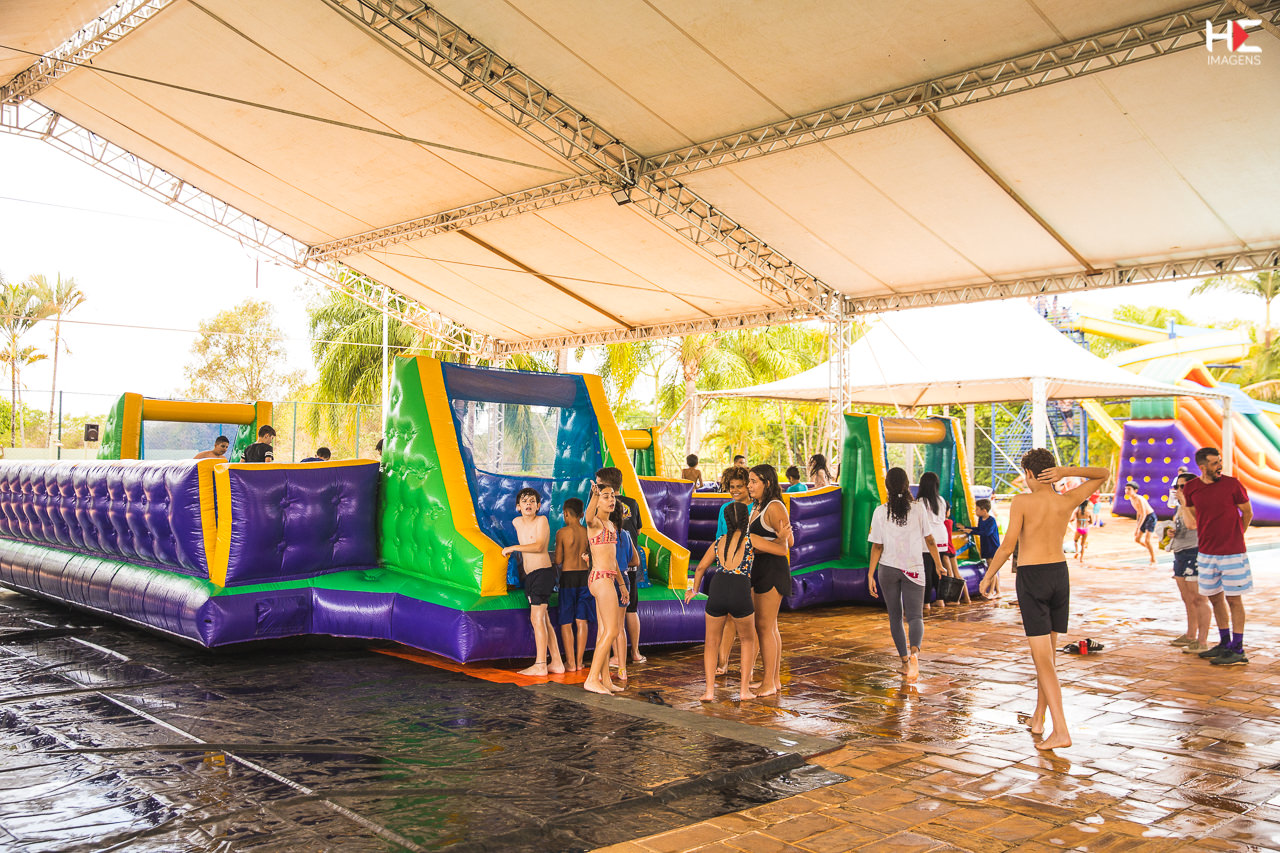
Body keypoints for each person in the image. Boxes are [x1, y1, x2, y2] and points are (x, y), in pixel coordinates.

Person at [979, 449, 1108, 751]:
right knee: (1047, 658)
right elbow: (1102, 474)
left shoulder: (1022, 501)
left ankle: (1061, 730)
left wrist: (988, 577)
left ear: (1028, 473)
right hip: (1059, 576)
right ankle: (1039, 718)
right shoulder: (1066, 500)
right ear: (1050, 472)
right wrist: (1066, 472)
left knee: (1043, 660)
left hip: (1033, 578)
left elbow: (1007, 546)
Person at [867, 467, 943, 682]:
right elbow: (930, 540)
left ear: (887, 487)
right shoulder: (919, 509)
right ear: (907, 484)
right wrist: (938, 565)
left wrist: (870, 574)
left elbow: (877, 546)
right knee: (916, 616)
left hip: (888, 568)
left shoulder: (880, 511)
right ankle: (915, 653)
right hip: (914, 568)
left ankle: (904, 662)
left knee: (895, 616)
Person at [1183, 446, 1253, 666]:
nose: (1219, 466)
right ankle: (1225, 643)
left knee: (1234, 600)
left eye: (1219, 462)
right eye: (1215, 463)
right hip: (1206, 553)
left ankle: (1238, 649)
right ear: (1202, 467)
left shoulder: (1232, 484)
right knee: (1214, 598)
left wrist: (1238, 535)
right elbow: (1194, 514)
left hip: (1232, 553)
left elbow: (1247, 512)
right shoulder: (1191, 488)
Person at [687, 502, 759, 701]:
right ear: (746, 520)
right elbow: (779, 549)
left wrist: (694, 590)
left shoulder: (719, 542)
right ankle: (744, 691)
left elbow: (700, 568)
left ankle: (709, 691)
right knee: (747, 640)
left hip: (718, 588)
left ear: (725, 521)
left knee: (711, 642)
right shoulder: (751, 540)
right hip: (740, 589)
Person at [501, 488, 564, 677]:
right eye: (524, 501)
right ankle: (557, 662)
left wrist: (513, 547)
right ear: (518, 507)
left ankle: (540, 664)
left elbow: (539, 546)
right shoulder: (517, 522)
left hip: (543, 574)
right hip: (530, 577)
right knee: (544, 619)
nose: (528, 503)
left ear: (538, 506)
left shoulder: (541, 520)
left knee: (536, 619)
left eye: (532, 501)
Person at [747, 464, 793, 697]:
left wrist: (763, 545)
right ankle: (773, 679)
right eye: (749, 481)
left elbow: (788, 543)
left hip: (772, 571)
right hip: (759, 569)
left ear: (767, 483)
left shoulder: (775, 507)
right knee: (769, 626)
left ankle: (769, 683)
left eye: (754, 481)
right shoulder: (757, 506)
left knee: (765, 627)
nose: (749, 485)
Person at [583, 482, 629, 695]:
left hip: (608, 578)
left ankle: (606, 680)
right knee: (612, 630)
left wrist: (622, 584)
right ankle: (592, 679)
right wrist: (594, 496)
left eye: (612, 496)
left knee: (604, 631)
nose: (611, 500)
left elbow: (614, 560)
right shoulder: (595, 523)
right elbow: (587, 518)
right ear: (597, 501)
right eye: (605, 496)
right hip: (600, 579)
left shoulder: (611, 525)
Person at [596, 467, 645, 666]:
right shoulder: (632, 503)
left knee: (611, 620)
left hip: (612, 568)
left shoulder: (601, 508)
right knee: (631, 610)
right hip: (629, 566)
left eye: (598, 484)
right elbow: (639, 531)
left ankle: (616, 657)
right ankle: (635, 652)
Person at [714, 467, 753, 674]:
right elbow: (720, 538)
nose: (735, 490)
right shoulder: (725, 509)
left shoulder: (756, 507)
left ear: (748, 486)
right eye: (732, 487)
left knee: (752, 621)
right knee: (729, 616)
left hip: (751, 568)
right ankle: (723, 661)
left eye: (740, 486)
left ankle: (750, 668)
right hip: (730, 569)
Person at [1168, 473, 1211, 655]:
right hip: (1180, 552)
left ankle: (1202, 640)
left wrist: (1185, 503)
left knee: (1199, 598)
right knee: (1187, 598)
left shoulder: (1200, 505)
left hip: (1195, 552)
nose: (1178, 490)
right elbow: (1182, 526)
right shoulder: (1181, 506)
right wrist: (1171, 531)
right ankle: (1191, 634)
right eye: (1177, 487)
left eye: (1183, 486)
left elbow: (1193, 524)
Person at [555, 498, 592, 672]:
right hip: (585, 577)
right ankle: (579, 662)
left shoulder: (562, 532)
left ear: (566, 514)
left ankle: (570, 663)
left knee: (566, 621)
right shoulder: (588, 532)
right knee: (582, 620)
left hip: (568, 578)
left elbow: (558, 560)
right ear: (582, 514)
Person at [916, 472, 948, 613]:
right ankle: (940, 600)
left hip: (928, 538)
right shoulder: (941, 500)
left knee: (927, 571)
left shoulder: (921, 501)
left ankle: (926, 602)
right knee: (939, 569)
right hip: (942, 536)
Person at [957, 499, 1001, 598]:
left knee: (992, 570)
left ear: (984, 510)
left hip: (992, 547)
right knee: (991, 569)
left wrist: (972, 531)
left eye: (977, 509)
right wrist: (966, 528)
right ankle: (998, 591)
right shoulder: (981, 519)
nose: (975, 511)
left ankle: (991, 592)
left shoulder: (991, 520)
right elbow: (979, 529)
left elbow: (986, 532)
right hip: (986, 546)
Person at [1125, 482, 1157, 565]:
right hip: (1143, 517)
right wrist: (1137, 523)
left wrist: (1138, 528)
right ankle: (1151, 550)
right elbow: (1138, 512)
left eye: (1129, 489)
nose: (1126, 491)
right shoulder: (1131, 499)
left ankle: (1153, 559)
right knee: (1137, 539)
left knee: (1147, 540)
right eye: (1126, 489)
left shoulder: (1139, 498)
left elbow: (1144, 513)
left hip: (1150, 517)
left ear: (1135, 490)